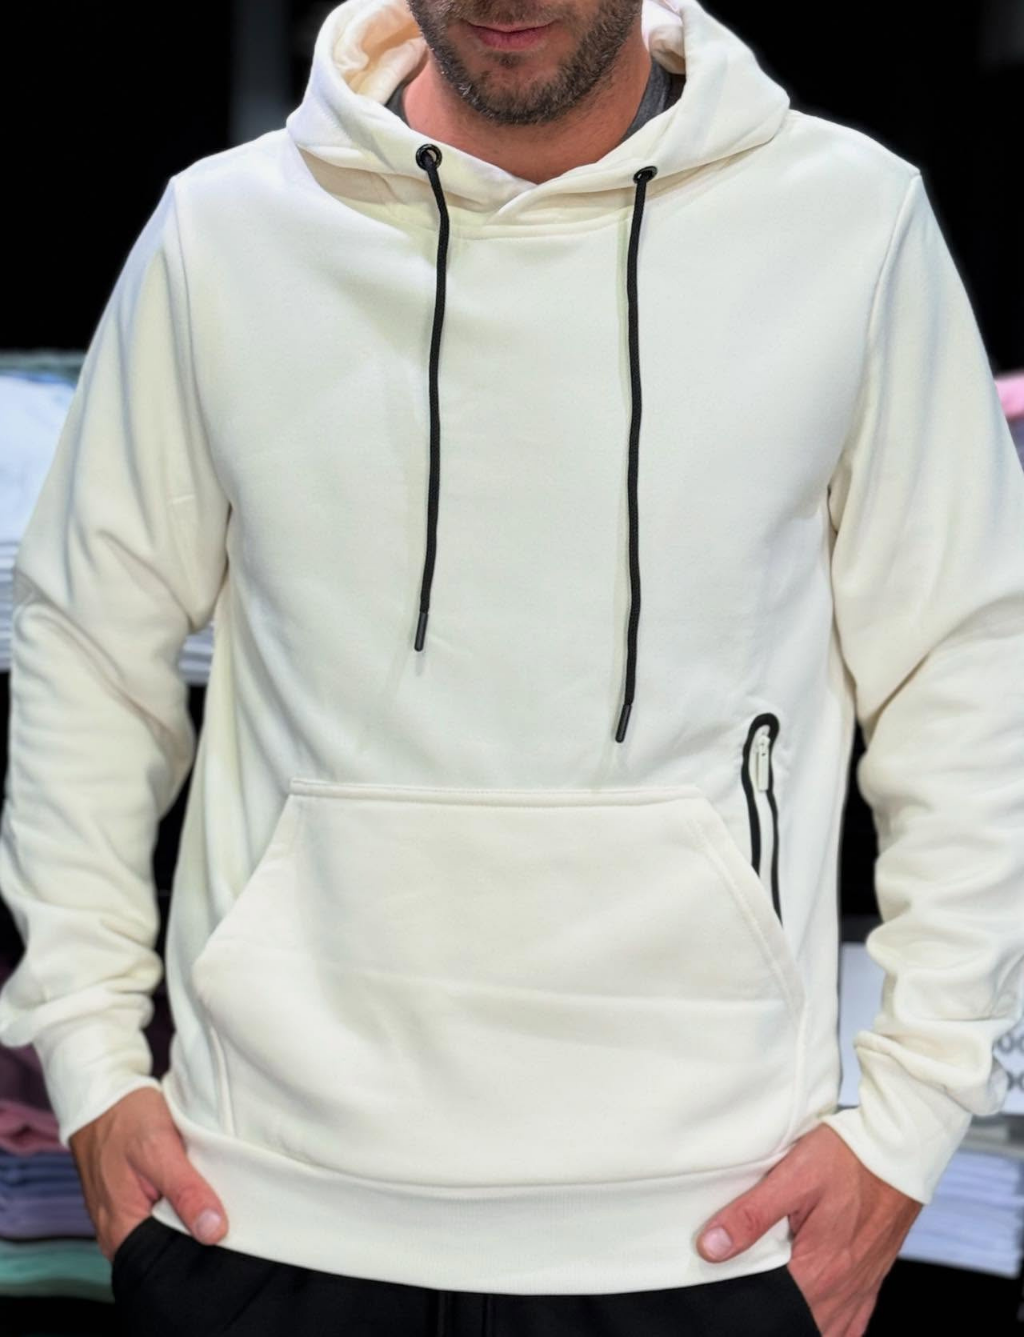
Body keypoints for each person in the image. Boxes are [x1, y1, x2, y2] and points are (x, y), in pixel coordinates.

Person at [1, 0, 1022, 1331]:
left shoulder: (849, 224)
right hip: (262, 1201)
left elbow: (967, 667)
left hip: (704, 1224)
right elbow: (90, 651)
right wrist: (88, 1055)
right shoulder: (225, 231)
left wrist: (912, 1116)